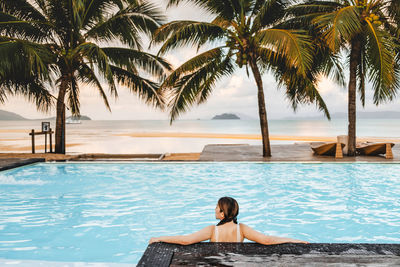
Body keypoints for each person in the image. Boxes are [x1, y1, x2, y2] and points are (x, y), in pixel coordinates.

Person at [149, 196, 308, 245]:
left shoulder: (213, 230)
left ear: (222, 214)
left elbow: (185, 240)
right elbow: (267, 240)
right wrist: (294, 240)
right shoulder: (242, 229)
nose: (214, 209)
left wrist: (159, 238)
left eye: (217, 207)